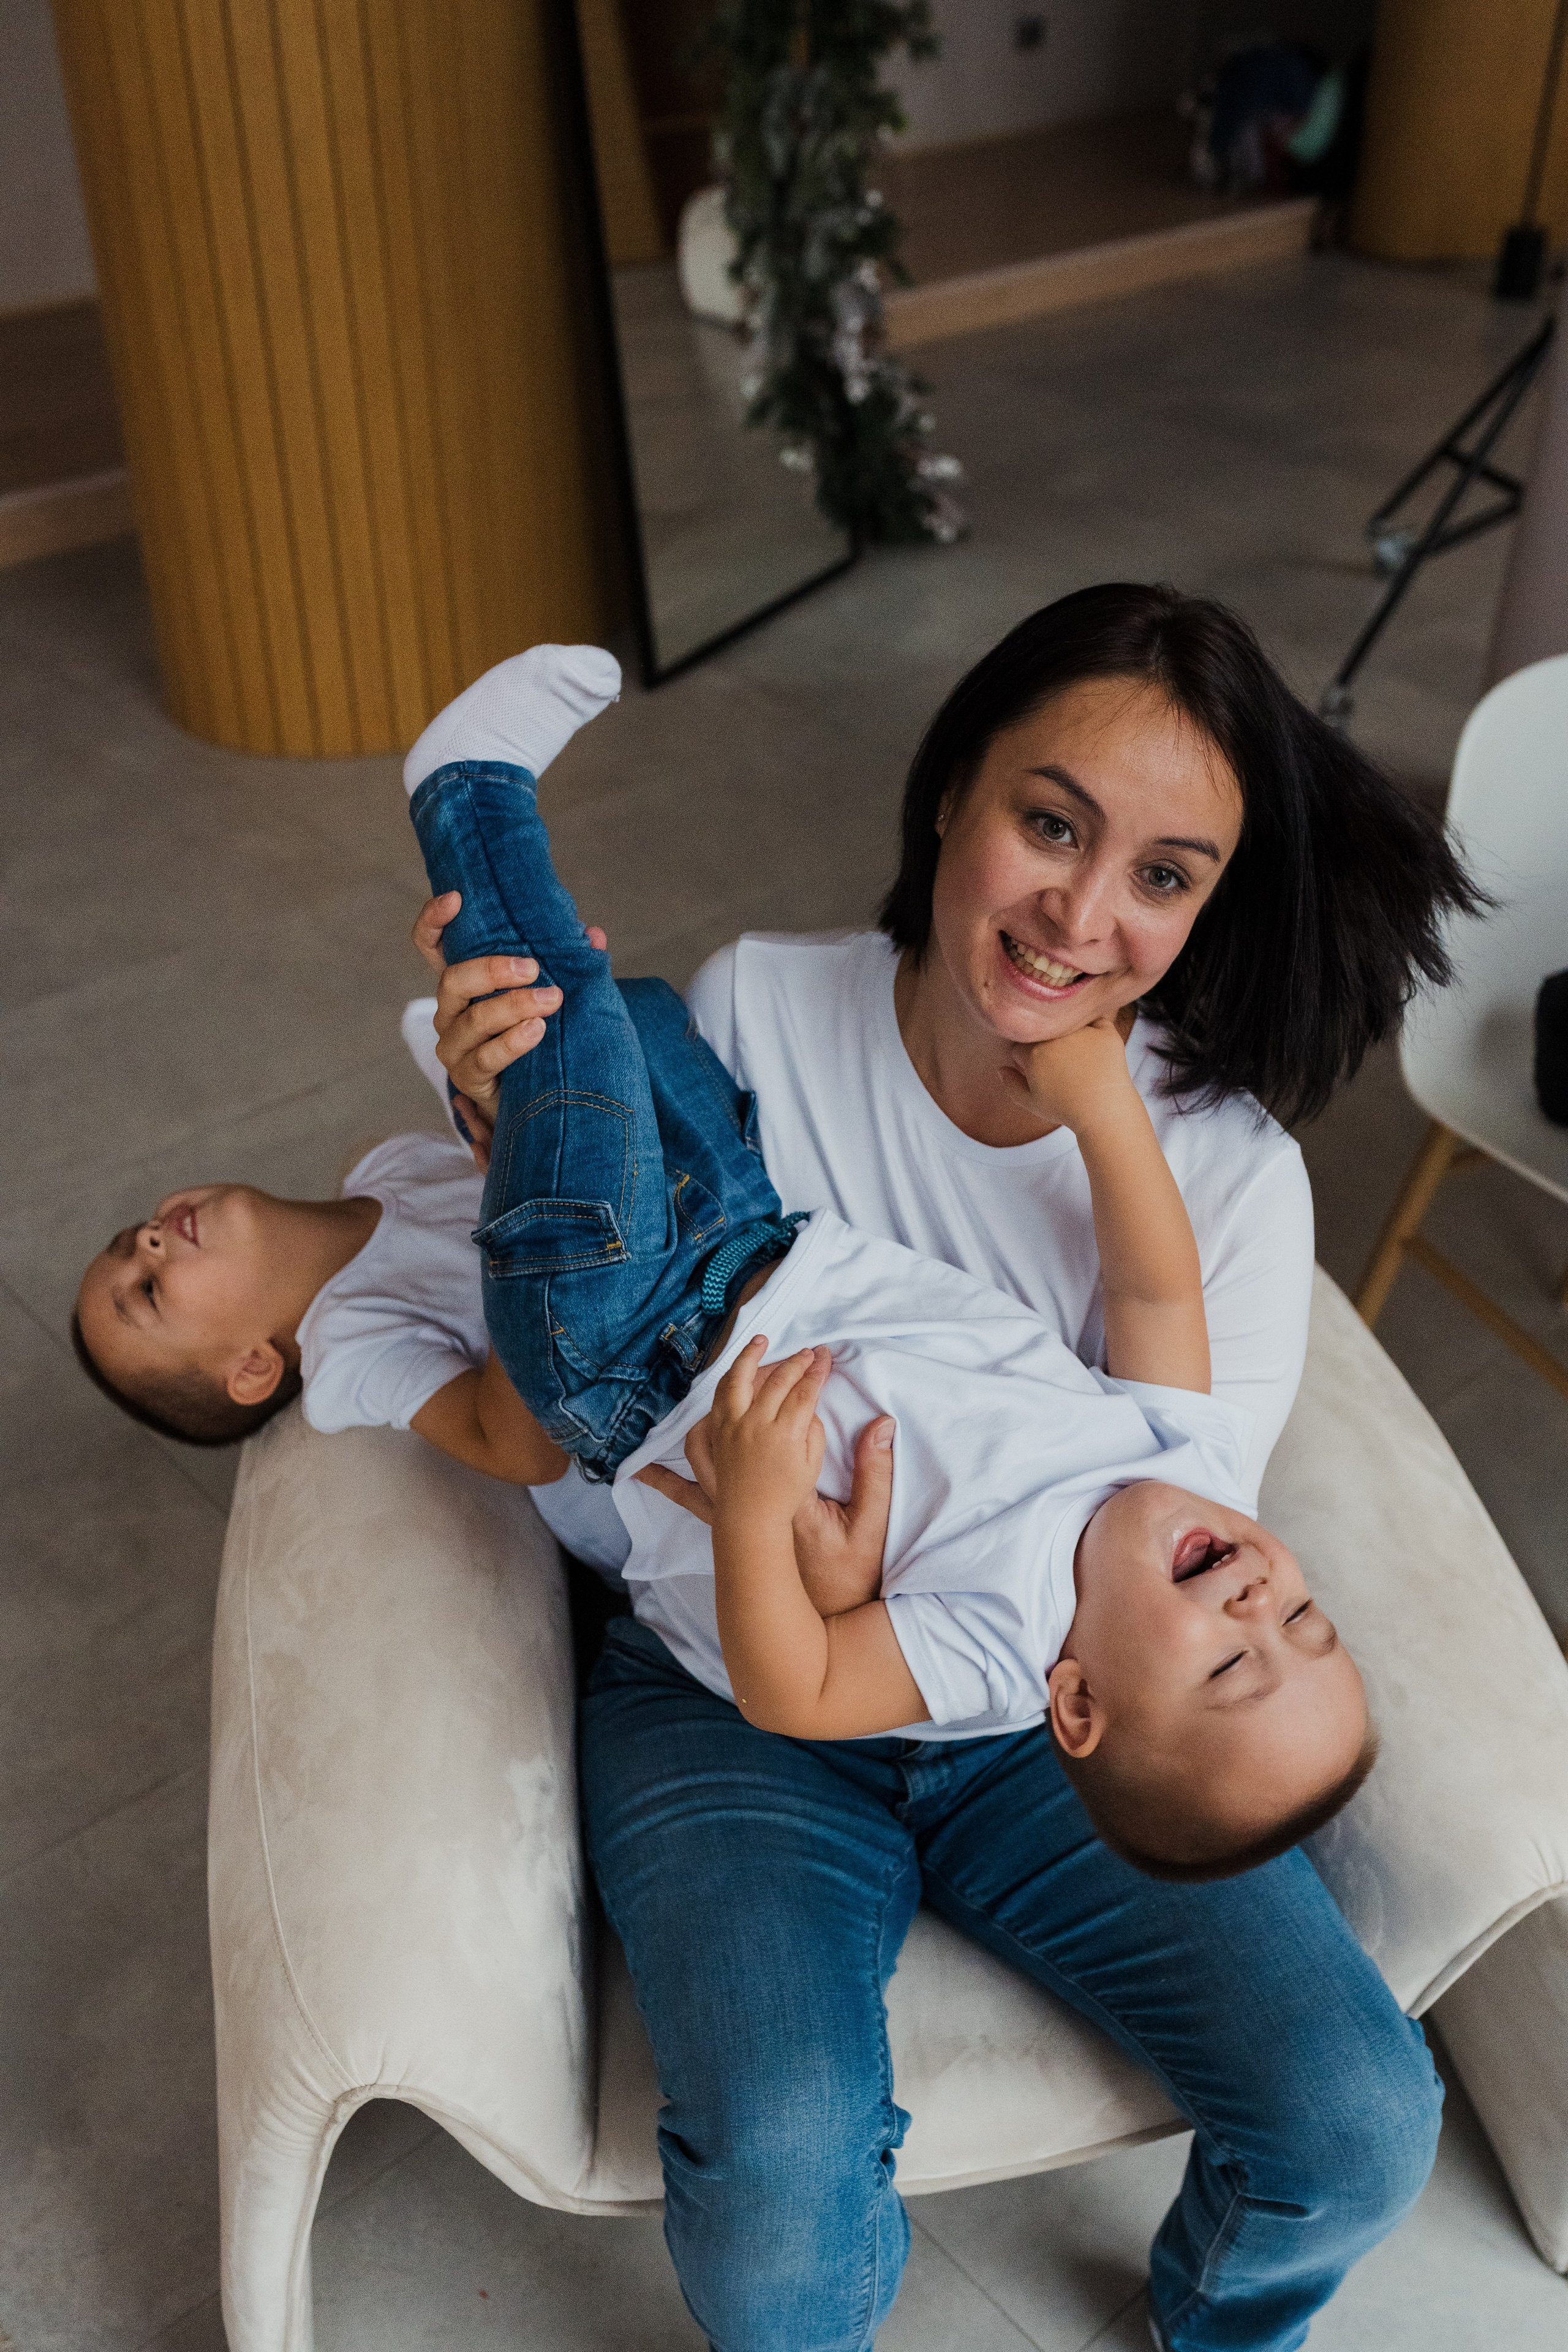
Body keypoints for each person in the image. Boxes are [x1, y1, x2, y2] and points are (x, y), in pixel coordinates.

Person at [418, 585, 1479, 2351]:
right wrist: (504, 1112)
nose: (1081, 913)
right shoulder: (768, 1006)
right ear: (950, 800)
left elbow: (1180, 1505)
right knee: (773, 2200)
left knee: (1364, 2120)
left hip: (1062, 1722)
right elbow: (603, 1374)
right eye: (1048, 824)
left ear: (1211, 906)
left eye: (1163, 874)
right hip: (724, 1686)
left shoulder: (1217, 1175)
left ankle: (1219, 2326)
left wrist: (1101, 1110)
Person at [72, 641, 1372, 1881]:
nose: (1257, 1603)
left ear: (1075, 1701)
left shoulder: (1003, 1640)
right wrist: (1100, 1111)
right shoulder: (1185, 1470)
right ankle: (499, 1062)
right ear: (954, 795)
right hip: (753, 1244)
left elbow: (790, 1685)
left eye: (1226, 1661)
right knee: (626, 1018)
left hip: (634, 1353)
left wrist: (757, 1519)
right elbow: (1153, 1286)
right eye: (1302, 1622)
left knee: (574, 1047)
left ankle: (468, 794)